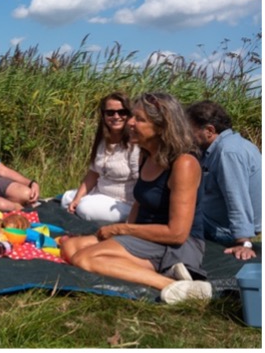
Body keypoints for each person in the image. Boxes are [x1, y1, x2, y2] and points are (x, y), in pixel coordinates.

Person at [61, 93, 212, 304]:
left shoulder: (183, 164)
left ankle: (175, 287)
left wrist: (121, 230)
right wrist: (122, 236)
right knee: (70, 247)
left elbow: (177, 233)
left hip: (175, 245)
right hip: (145, 237)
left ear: (161, 127)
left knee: (84, 258)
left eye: (139, 119)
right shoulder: (146, 155)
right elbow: (139, 203)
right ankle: (166, 275)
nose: (129, 122)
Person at [186, 100, 261, 261]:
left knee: (174, 217)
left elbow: (237, 198)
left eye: (190, 131)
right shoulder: (229, 145)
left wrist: (243, 242)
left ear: (209, 130)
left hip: (223, 230)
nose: (187, 136)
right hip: (216, 221)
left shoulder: (228, 153)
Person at [61, 92, 140, 222]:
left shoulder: (134, 145)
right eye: (110, 113)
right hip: (100, 193)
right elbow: (93, 173)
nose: (116, 116)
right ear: (103, 115)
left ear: (129, 114)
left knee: (84, 207)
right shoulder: (103, 141)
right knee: (67, 198)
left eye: (122, 112)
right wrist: (77, 198)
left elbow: (141, 184)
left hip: (122, 203)